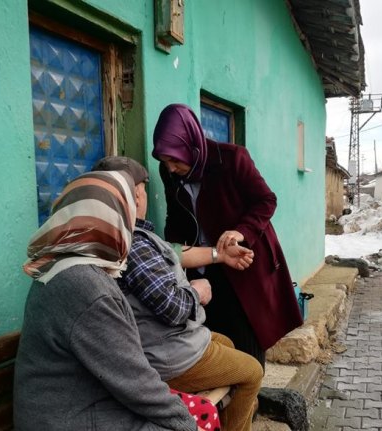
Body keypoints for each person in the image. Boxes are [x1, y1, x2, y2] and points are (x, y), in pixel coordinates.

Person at [13, 170, 212, 431]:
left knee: (199, 410)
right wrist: (187, 425)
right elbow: (134, 380)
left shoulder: (61, 266)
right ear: (115, 220)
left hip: (69, 407)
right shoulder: (84, 286)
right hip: (70, 418)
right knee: (196, 417)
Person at [92, 156, 262, 431]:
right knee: (253, 372)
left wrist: (219, 255)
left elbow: (174, 252)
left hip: (162, 344)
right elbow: (173, 308)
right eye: (144, 189)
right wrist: (198, 292)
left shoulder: (118, 236)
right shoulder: (134, 247)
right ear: (136, 195)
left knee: (227, 344)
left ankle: (216, 418)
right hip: (166, 356)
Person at [151, 103, 304, 368]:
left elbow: (266, 200)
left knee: (247, 340)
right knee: (213, 340)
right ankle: (223, 404)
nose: (171, 168)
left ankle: (249, 402)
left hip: (240, 261)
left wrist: (240, 231)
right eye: (165, 162)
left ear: (192, 145)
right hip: (204, 266)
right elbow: (175, 217)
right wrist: (173, 255)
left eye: (175, 159)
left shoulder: (233, 159)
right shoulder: (170, 173)